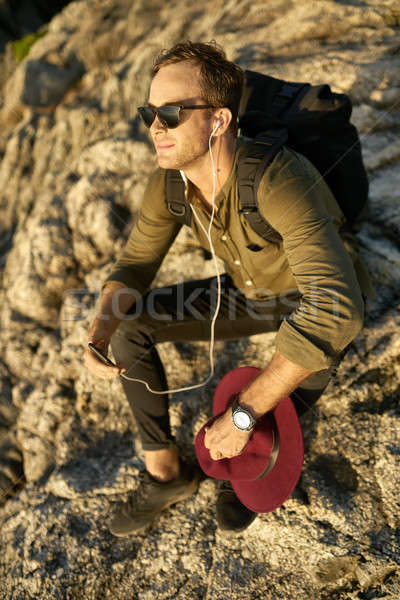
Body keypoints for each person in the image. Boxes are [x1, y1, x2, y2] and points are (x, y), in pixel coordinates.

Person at [84, 41, 368, 537]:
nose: (155, 126)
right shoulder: (171, 182)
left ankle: (245, 457)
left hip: (307, 298)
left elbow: (336, 310)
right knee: (132, 323)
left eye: (170, 112)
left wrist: (242, 416)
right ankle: (164, 475)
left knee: (309, 357)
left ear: (217, 121)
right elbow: (134, 265)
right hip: (251, 292)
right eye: (149, 112)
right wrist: (100, 330)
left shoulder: (278, 178)